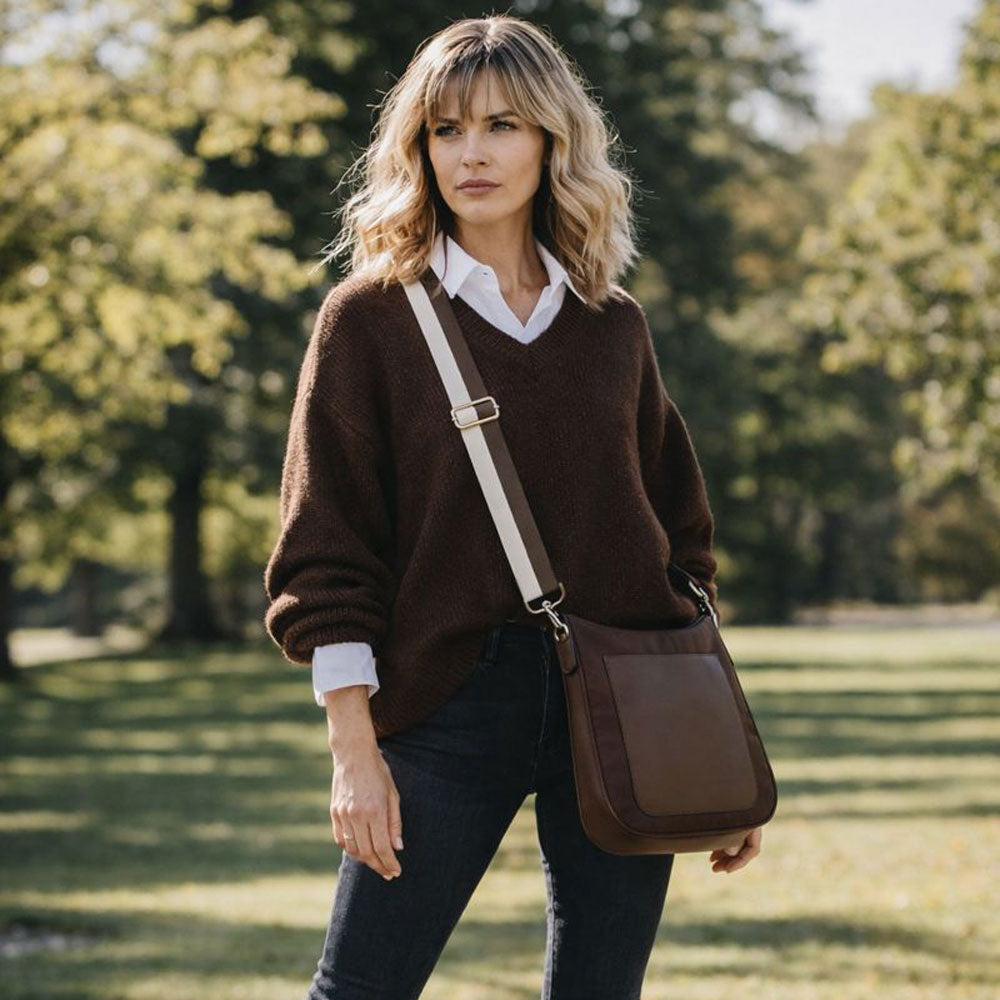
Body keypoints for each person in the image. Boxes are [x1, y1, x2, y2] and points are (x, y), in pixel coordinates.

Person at [263, 14, 762, 1000]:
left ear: (551, 142)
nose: (472, 154)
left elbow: (680, 546)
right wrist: (353, 751)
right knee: (359, 989)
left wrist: (713, 737)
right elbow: (325, 549)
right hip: (445, 697)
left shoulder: (612, 325)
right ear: (417, 148)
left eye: (502, 125)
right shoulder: (369, 319)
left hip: (624, 697)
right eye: (446, 130)